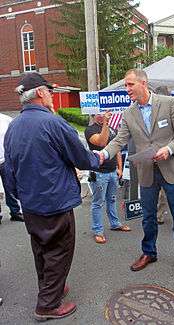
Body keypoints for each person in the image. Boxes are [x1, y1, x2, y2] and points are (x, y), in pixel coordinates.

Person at [4, 73, 100, 321]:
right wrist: (98, 158)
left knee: (42, 250)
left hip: (31, 204)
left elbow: (10, 169)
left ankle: (51, 289)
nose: (51, 96)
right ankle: (47, 304)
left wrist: (18, 196)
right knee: (59, 250)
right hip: (55, 203)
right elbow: (82, 158)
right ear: (38, 93)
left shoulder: (13, 127)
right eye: (48, 91)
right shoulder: (52, 123)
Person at [99, 69, 174, 276]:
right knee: (148, 217)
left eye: (130, 84)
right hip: (147, 173)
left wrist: (168, 149)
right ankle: (149, 252)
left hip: (171, 170)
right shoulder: (128, 113)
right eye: (125, 85)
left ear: (144, 83)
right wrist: (104, 154)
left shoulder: (168, 103)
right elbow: (119, 140)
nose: (127, 89)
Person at [84, 112, 130, 244]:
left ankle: (115, 223)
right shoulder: (90, 130)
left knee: (112, 199)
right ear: (93, 115)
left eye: (104, 113)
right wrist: (105, 123)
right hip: (99, 172)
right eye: (99, 114)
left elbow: (117, 149)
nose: (102, 115)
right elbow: (101, 142)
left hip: (112, 172)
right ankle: (98, 231)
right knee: (98, 202)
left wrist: (119, 168)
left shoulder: (112, 129)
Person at [0, 113, 23, 224]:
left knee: (10, 186)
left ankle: (15, 212)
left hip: (5, 159)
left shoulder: (6, 119)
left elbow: (15, 136)